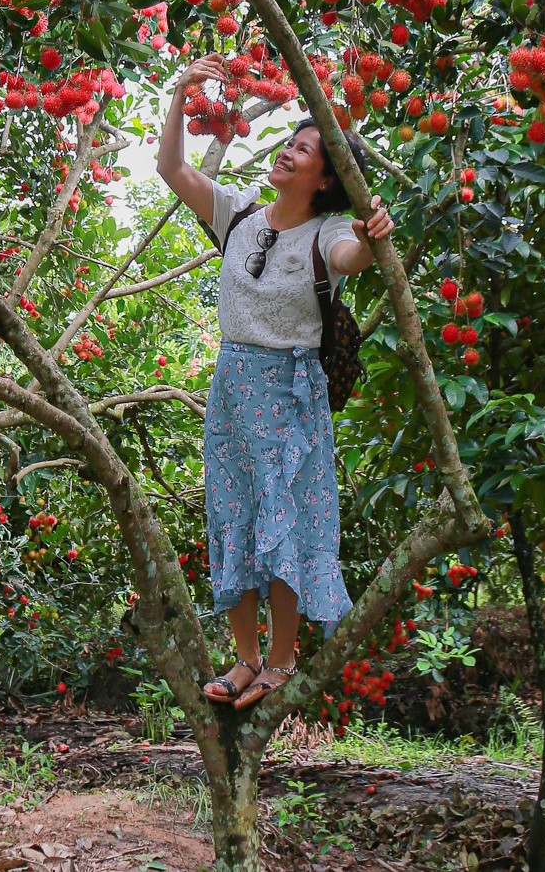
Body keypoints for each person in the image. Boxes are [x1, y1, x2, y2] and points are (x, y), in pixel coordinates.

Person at [155, 52, 395, 710]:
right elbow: (171, 169)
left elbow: (354, 256)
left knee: (283, 523)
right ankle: (243, 660)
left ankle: (282, 662)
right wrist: (182, 94)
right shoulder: (238, 215)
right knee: (233, 515)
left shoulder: (327, 234)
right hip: (233, 387)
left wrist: (374, 237)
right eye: (290, 141)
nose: (288, 152)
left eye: (305, 149)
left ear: (326, 178)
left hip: (291, 392)